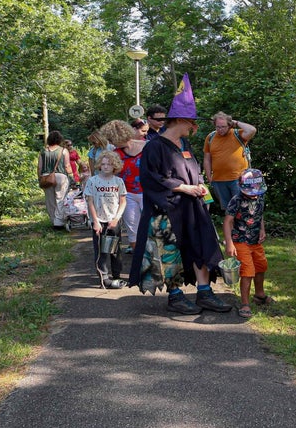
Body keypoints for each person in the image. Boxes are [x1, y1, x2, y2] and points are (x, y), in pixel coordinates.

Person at [127, 75, 231, 315]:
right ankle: (175, 297)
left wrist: (200, 185)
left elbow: (193, 170)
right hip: (166, 210)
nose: (194, 128)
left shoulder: (185, 145)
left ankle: (205, 293)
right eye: (191, 123)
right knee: (169, 253)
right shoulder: (155, 146)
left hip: (192, 208)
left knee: (201, 246)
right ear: (180, 120)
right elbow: (151, 178)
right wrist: (183, 188)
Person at [223, 168, 270, 319]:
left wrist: (262, 229)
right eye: (250, 192)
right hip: (240, 240)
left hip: (255, 241)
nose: (254, 194)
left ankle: (259, 295)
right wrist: (229, 243)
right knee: (247, 271)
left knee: (261, 266)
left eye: (256, 191)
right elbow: (227, 221)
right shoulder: (236, 200)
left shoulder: (260, 196)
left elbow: (259, 214)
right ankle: (245, 303)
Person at [99, 119, 146, 255]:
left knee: (150, 227)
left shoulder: (148, 147)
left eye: (111, 139)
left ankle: (152, 258)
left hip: (148, 193)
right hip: (127, 195)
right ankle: (139, 259)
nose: (111, 143)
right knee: (132, 229)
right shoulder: (115, 154)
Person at [83, 150, 128, 289]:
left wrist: (116, 219)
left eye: (109, 164)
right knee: (101, 251)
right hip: (99, 221)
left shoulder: (118, 182)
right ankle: (104, 277)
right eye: (103, 164)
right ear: (99, 165)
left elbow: (123, 201)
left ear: (115, 165)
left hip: (114, 221)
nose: (106, 166)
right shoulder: (92, 181)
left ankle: (117, 275)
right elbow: (90, 202)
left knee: (115, 250)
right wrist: (95, 221)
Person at [202, 112, 256, 210]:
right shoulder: (210, 137)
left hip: (239, 179)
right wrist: (209, 177)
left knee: (243, 208)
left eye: (223, 126)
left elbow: (252, 130)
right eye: (218, 127)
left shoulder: (237, 134)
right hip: (218, 181)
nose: (220, 129)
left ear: (229, 125)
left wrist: (236, 123)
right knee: (228, 210)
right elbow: (207, 158)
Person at [38, 131, 73, 229]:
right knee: (60, 199)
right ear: (59, 139)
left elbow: (39, 167)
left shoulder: (43, 151)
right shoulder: (63, 151)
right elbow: (67, 166)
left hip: (46, 177)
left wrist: (40, 178)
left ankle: (54, 220)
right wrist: (72, 176)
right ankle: (59, 222)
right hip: (61, 176)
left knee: (50, 200)